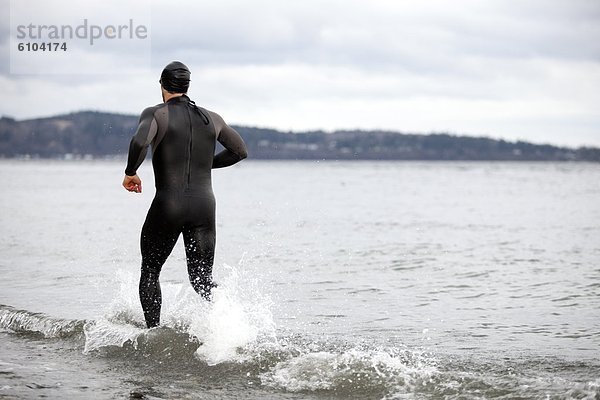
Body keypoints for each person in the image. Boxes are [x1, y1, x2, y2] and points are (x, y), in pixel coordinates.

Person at [122, 61, 248, 328]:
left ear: (162, 85)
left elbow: (139, 141)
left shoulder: (157, 114)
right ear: (187, 86)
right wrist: (205, 164)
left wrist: (131, 171)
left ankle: (152, 335)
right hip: (204, 208)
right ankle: (232, 328)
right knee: (202, 281)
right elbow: (240, 151)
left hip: (169, 204)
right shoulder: (212, 118)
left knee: (150, 272)